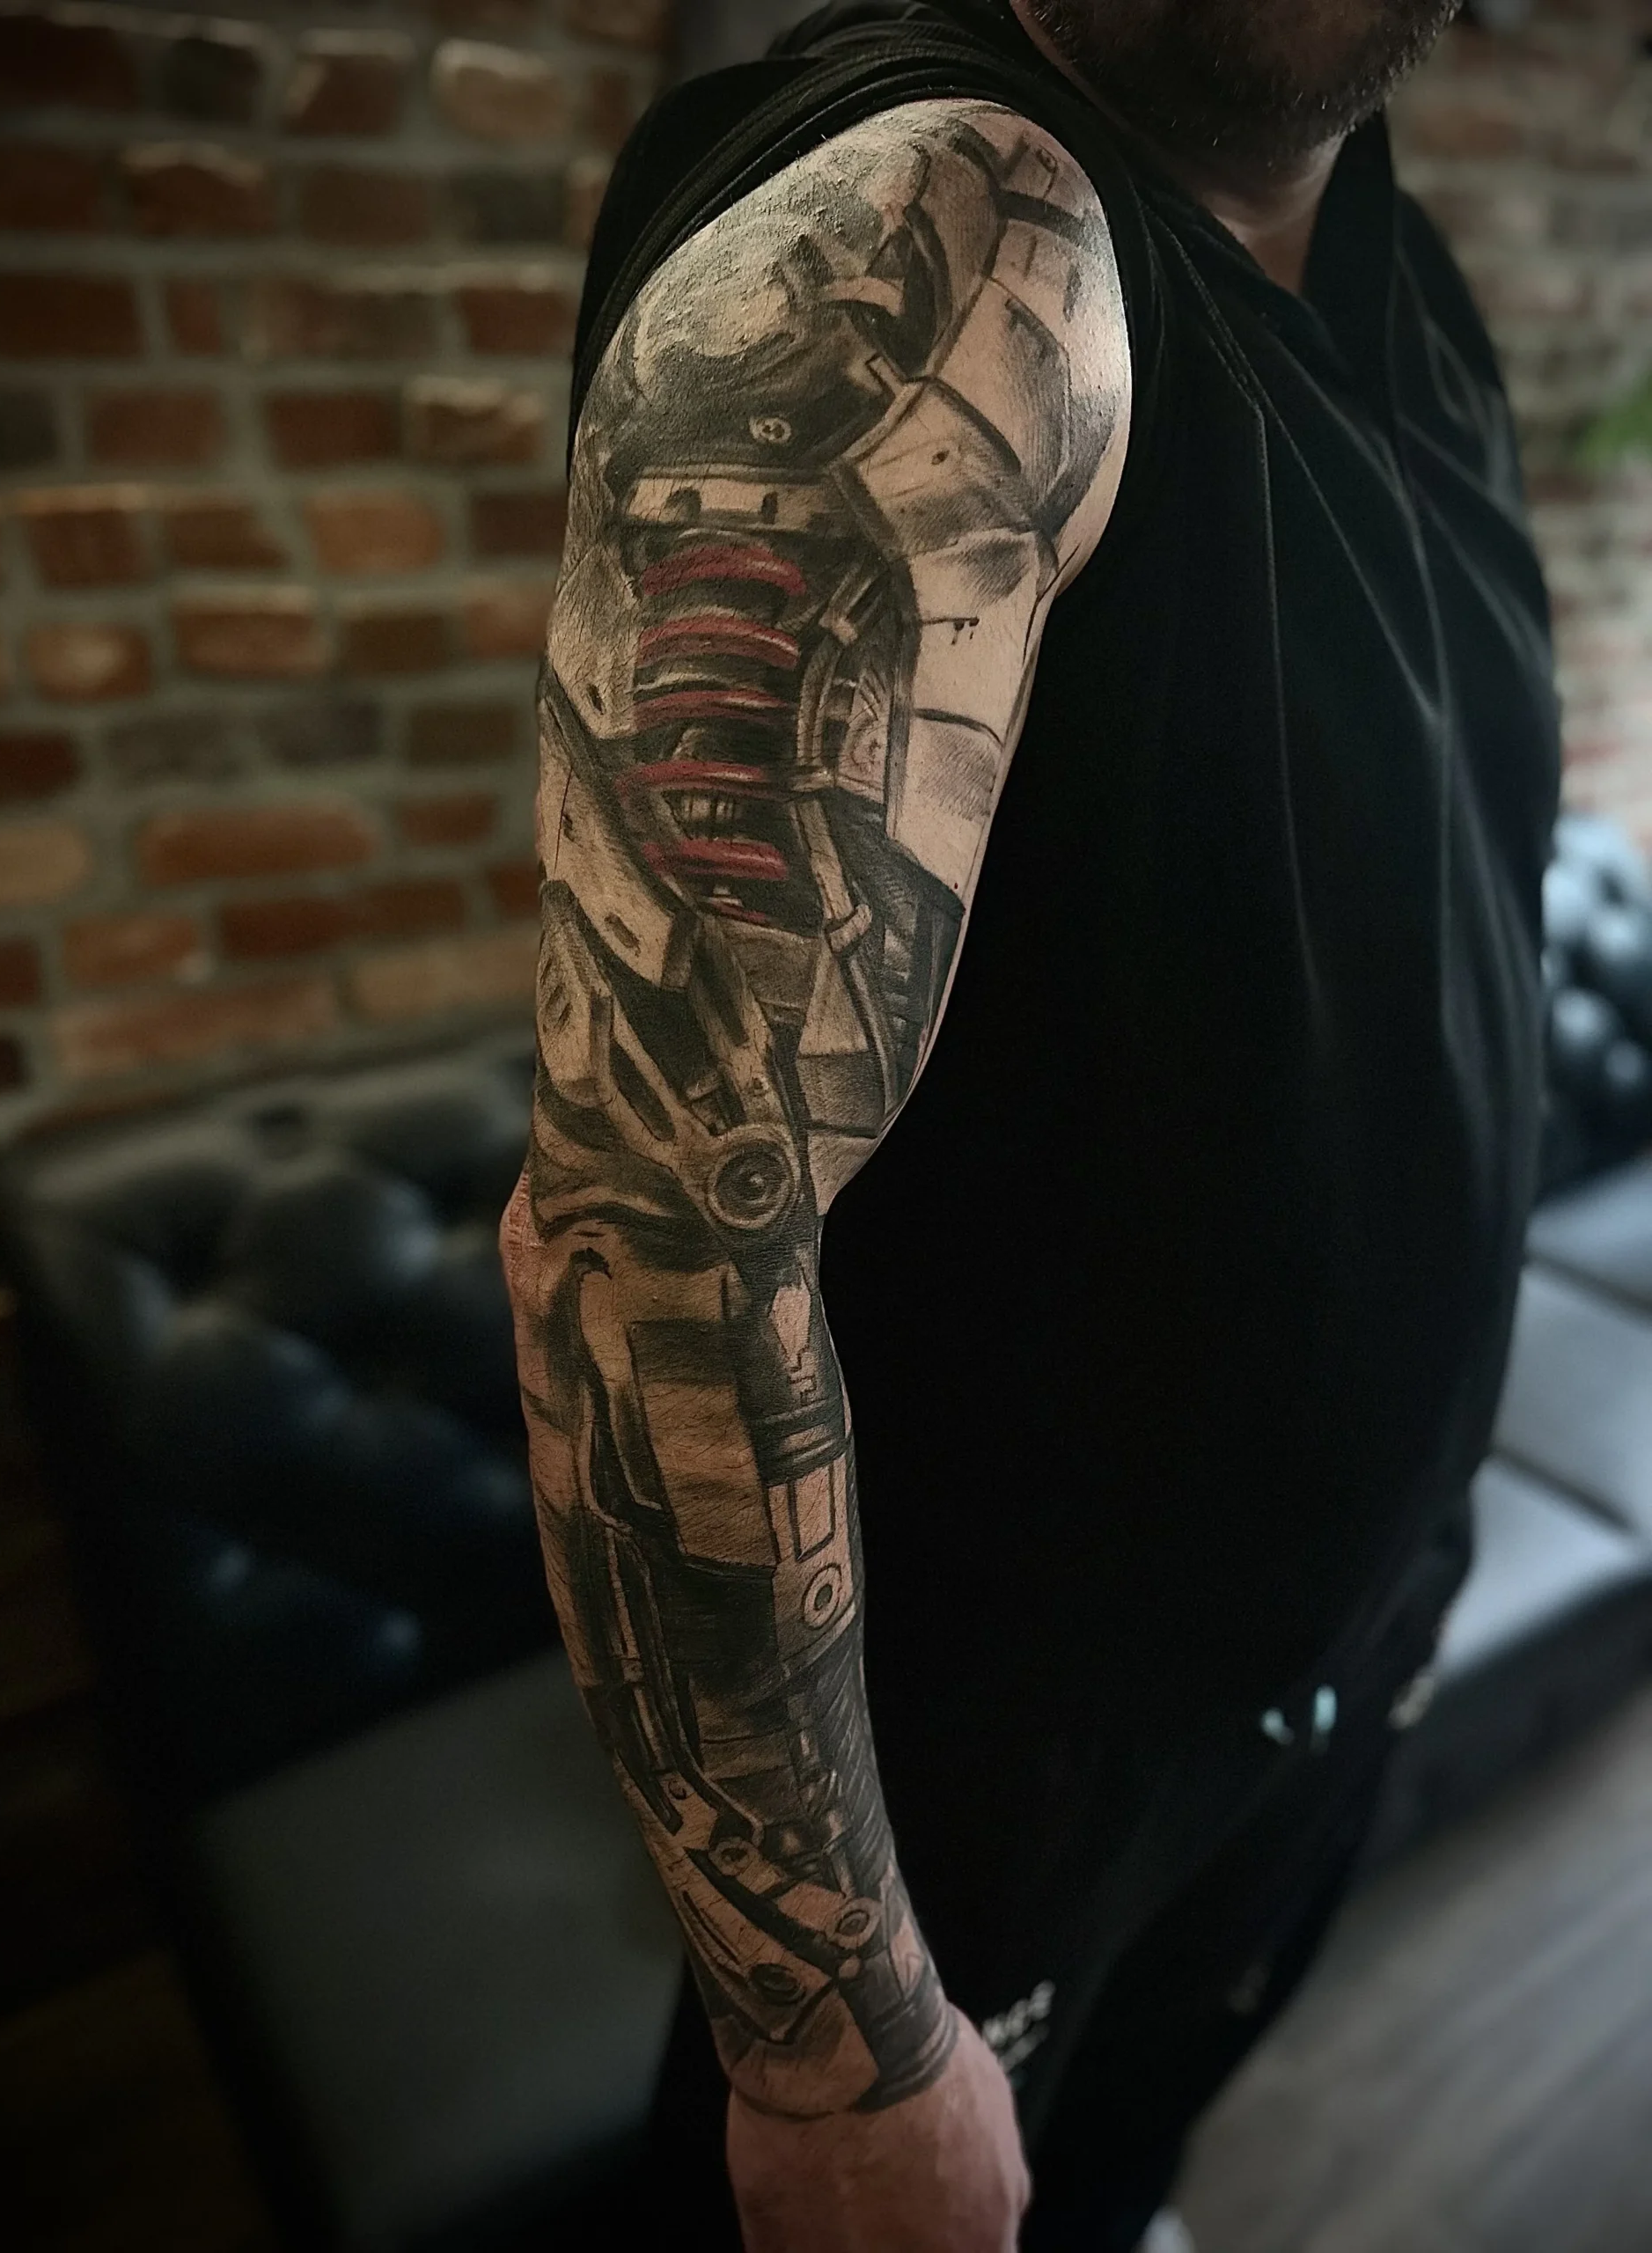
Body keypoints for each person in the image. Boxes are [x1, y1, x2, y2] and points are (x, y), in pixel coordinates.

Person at [500, 1, 1562, 2246]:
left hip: (1336, 1648)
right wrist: (837, 2047)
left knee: (1114, 2181)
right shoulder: (955, 236)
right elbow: (665, 1230)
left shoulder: (1406, 285)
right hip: (1001, 1791)